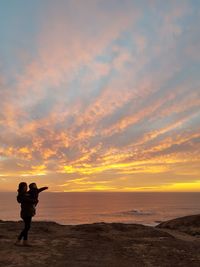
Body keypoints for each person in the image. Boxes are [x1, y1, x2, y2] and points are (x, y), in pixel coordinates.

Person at [15, 182, 38, 246]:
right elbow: (28, 200)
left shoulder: (26, 193)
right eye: (25, 186)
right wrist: (35, 200)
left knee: (27, 227)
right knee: (27, 227)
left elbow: (33, 195)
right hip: (25, 213)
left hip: (29, 212)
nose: (26, 187)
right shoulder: (21, 195)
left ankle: (25, 241)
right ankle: (18, 240)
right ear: (22, 187)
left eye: (26, 186)